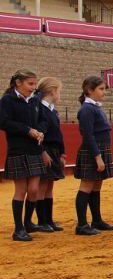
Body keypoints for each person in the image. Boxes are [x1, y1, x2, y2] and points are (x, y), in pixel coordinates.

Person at [0, 69, 45, 241]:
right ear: (18, 83)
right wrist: (27, 130)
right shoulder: (7, 100)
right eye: (30, 84)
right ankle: (18, 229)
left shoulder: (34, 101)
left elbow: (42, 119)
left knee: (33, 190)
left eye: (35, 84)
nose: (33, 88)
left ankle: (27, 223)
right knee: (21, 190)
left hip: (34, 149)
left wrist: (40, 131)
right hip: (18, 149)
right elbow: (3, 122)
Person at [74, 76, 113, 235]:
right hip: (93, 151)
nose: (104, 92)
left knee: (97, 185)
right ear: (89, 90)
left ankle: (97, 220)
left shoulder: (95, 107)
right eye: (101, 89)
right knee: (86, 186)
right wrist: (97, 156)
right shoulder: (87, 109)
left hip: (99, 149)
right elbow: (88, 136)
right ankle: (81, 225)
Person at [34, 77, 66, 232]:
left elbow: (58, 134)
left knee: (49, 185)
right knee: (43, 185)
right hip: (45, 149)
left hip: (53, 150)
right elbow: (40, 133)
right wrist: (43, 152)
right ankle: (42, 221)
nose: (59, 94)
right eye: (59, 91)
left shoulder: (52, 110)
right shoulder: (40, 109)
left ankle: (49, 220)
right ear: (53, 91)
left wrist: (62, 153)